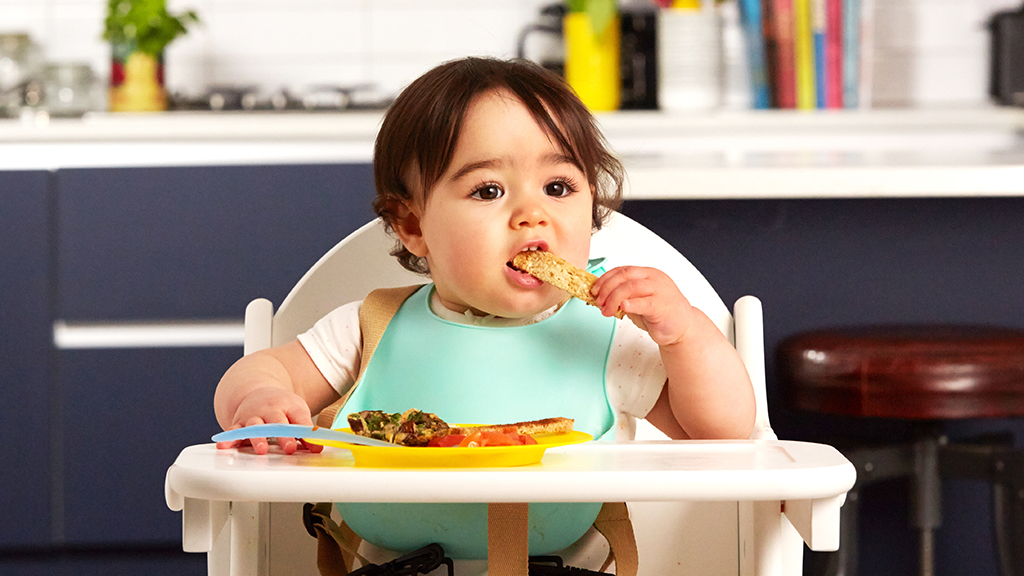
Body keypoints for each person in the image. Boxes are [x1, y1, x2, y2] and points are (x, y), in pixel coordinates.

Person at [213, 56, 755, 565]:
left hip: (555, 567)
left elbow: (722, 433)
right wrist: (261, 398)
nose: (532, 214)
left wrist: (684, 333)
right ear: (413, 226)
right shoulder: (372, 327)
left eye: (558, 186)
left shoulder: (605, 337)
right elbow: (266, 370)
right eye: (489, 189)